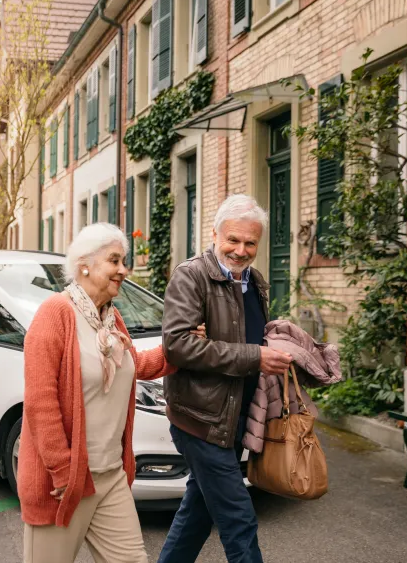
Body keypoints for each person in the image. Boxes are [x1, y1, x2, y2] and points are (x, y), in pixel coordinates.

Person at [19, 222, 205, 563]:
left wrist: (182, 348)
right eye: (114, 261)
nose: (123, 270)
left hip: (110, 477)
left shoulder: (110, 319)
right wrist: (63, 473)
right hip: (64, 484)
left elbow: (134, 366)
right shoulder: (55, 314)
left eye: (124, 261)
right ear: (84, 264)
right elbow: (40, 403)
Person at [158, 195, 293, 563]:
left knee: (196, 515)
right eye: (233, 240)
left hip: (234, 417)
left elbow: (248, 337)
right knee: (239, 520)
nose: (241, 250)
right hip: (201, 419)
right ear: (214, 233)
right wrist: (256, 356)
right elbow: (177, 346)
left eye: (250, 242)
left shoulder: (255, 281)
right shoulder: (192, 275)